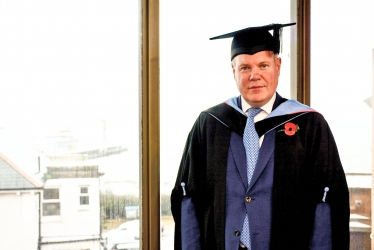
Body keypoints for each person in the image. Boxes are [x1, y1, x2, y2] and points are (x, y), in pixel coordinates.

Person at [170, 22, 349, 250]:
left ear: (278, 65)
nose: (255, 75)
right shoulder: (209, 125)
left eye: (263, 65)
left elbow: (326, 207)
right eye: (245, 68)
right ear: (233, 71)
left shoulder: (310, 125)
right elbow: (188, 202)